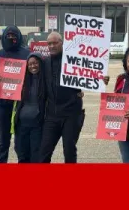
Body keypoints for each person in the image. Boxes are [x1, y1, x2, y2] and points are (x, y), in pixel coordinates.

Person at [39, 31, 88, 163]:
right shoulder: (44, 62)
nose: (52, 46)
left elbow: (90, 73)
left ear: (62, 43)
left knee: (69, 151)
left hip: (71, 114)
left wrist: (101, 79)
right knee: (44, 152)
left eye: (55, 43)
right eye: (49, 43)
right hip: (52, 115)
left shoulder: (73, 60)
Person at [0, 26, 30, 163]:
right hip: (2, 105)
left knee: (21, 142)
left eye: (14, 36)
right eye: (8, 36)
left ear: (19, 37)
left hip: (21, 105)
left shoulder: (28, 54)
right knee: (2, 141)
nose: (11, 38)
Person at [10, 52, 47, 163]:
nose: (33, 66)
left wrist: (77, 93)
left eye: (35, 63)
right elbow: (5, 88)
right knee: (22, 155)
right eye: (30, 64)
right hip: (21, 125)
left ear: (40, 63)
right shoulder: (21, 81)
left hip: (38, 125)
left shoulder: (47, 81)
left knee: (36, 156)